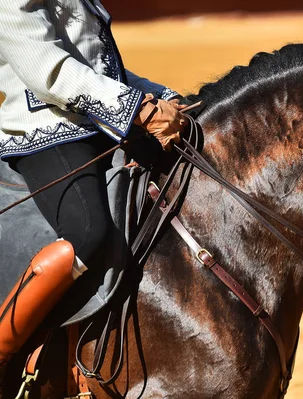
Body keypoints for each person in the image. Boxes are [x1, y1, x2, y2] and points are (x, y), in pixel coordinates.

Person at [0, 0, 189, 381]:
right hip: (47, 131)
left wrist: (162, 97)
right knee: (87, 232)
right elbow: (48, 69)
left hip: (97, 120)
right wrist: (137, 109)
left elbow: (97, 66)